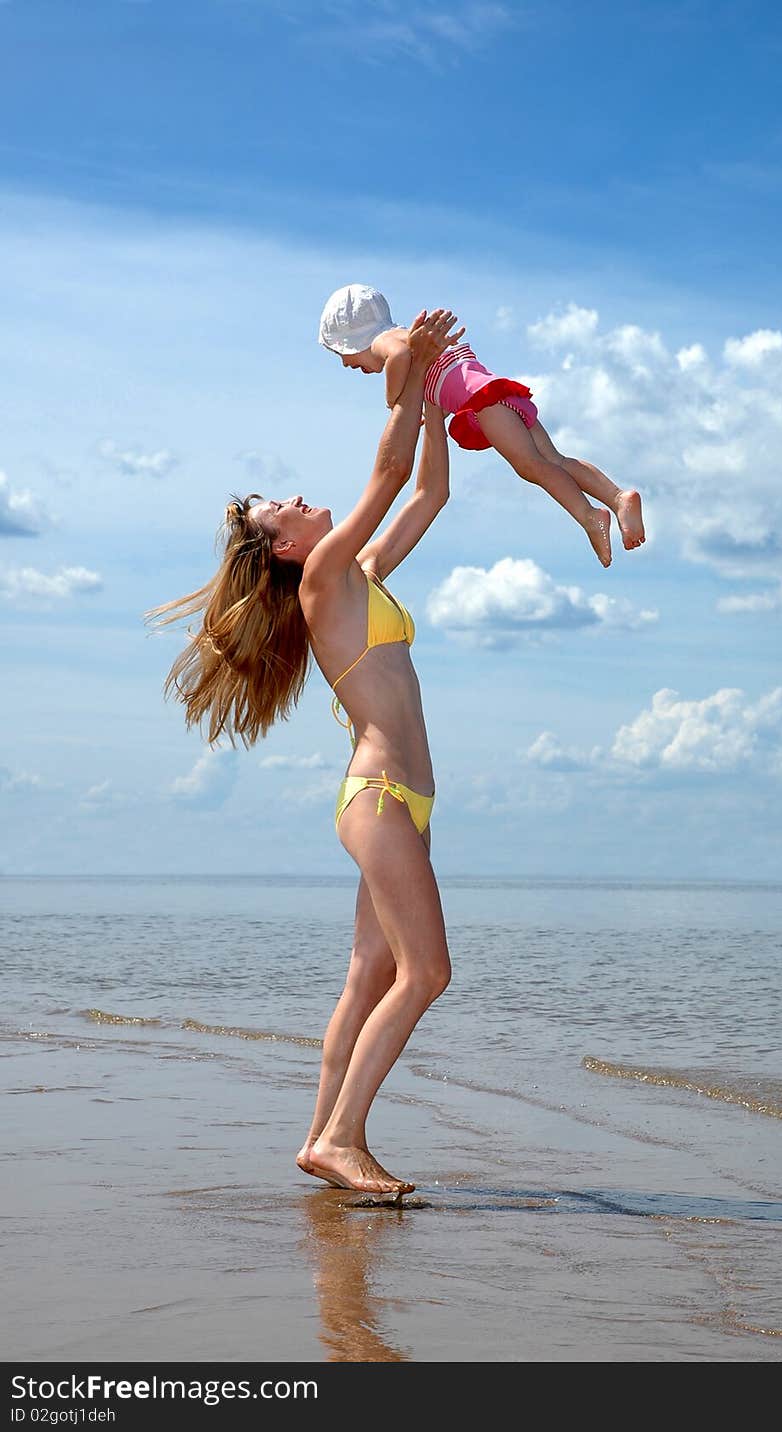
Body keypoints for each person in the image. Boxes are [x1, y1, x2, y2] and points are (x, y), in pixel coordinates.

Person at [150, 309, 462, 1196]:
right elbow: (389, 469)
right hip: (381, 797)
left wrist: (434, 396)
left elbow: (427, 495)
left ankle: (319, 1137)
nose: (291, 495)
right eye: (276, 505)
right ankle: (343, 1137)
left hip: (402, 799)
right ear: (286, 547)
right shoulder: (325, 574)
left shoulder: (354, 577)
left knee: (371, 973)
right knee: (427, 971)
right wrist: (413, 369)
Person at [318, 282, 645, 569]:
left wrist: (394, 400)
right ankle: (617, 497)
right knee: (553, 460)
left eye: (343, 356)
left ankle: (589, 516)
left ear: (352, 340)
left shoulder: (386, 340)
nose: (348, 365)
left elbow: (401, 356)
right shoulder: (414, 339)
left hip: (482, 400)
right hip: (488, 390)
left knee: (531, 466)